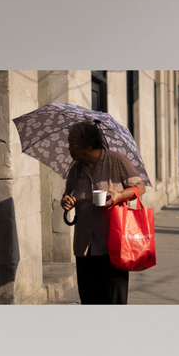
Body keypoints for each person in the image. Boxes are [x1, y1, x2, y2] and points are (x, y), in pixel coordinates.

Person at [60, 120, 147, 304]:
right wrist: (66, 200)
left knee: (114, 301)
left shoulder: (117, 161)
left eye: (72, 143)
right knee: (89, 301)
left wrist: (120, 196)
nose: (69, 148)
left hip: (114, 245)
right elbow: (68, 194)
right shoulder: (76, 169)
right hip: (84, 247)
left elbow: (140, 187)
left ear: (88, 145)